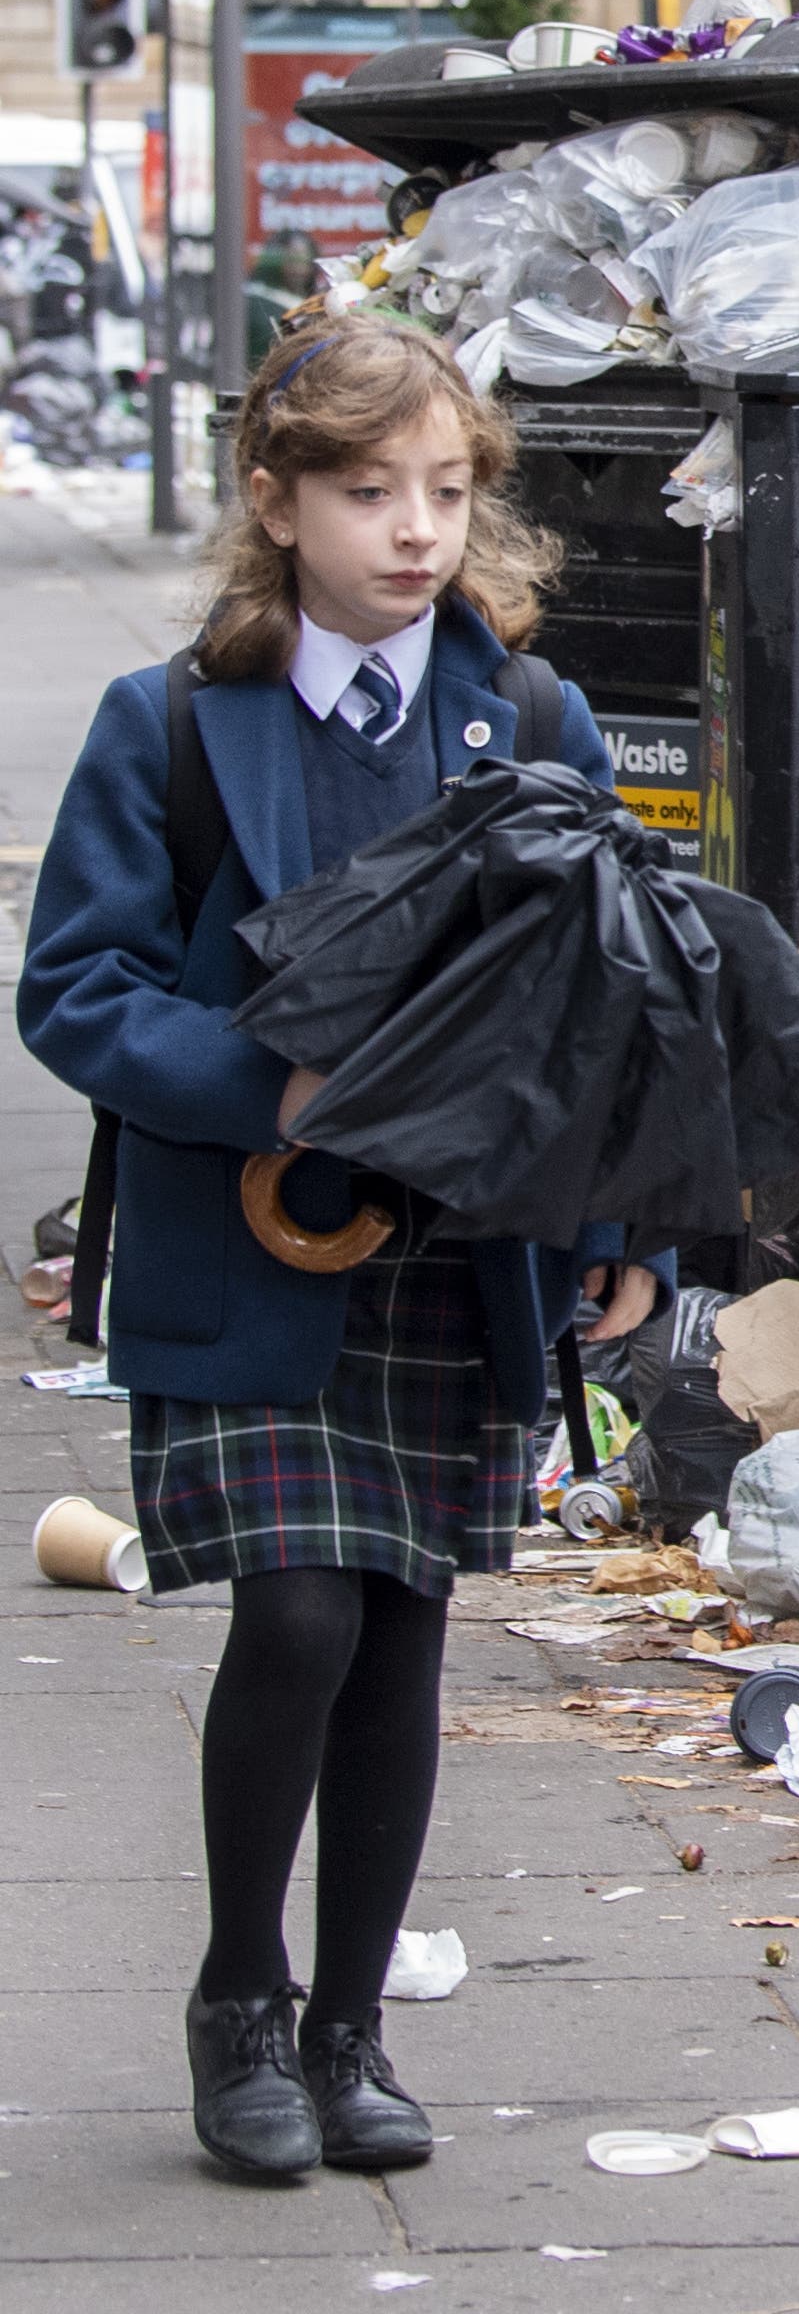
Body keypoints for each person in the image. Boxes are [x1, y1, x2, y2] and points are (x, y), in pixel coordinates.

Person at [19, 318, 665, 2180]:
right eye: (369, 491)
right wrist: (268, 1085)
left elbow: (604, 999)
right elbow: (75, 986)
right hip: (246, 1248)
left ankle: (352, 2025)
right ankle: (238, 1995)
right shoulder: (170, 728)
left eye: (447, 492)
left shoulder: (530, 722)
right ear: (275, 500)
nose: (413, 531)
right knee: (297, 1607)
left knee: (401, 1636)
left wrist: (617, 1224)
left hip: (461, 1260)